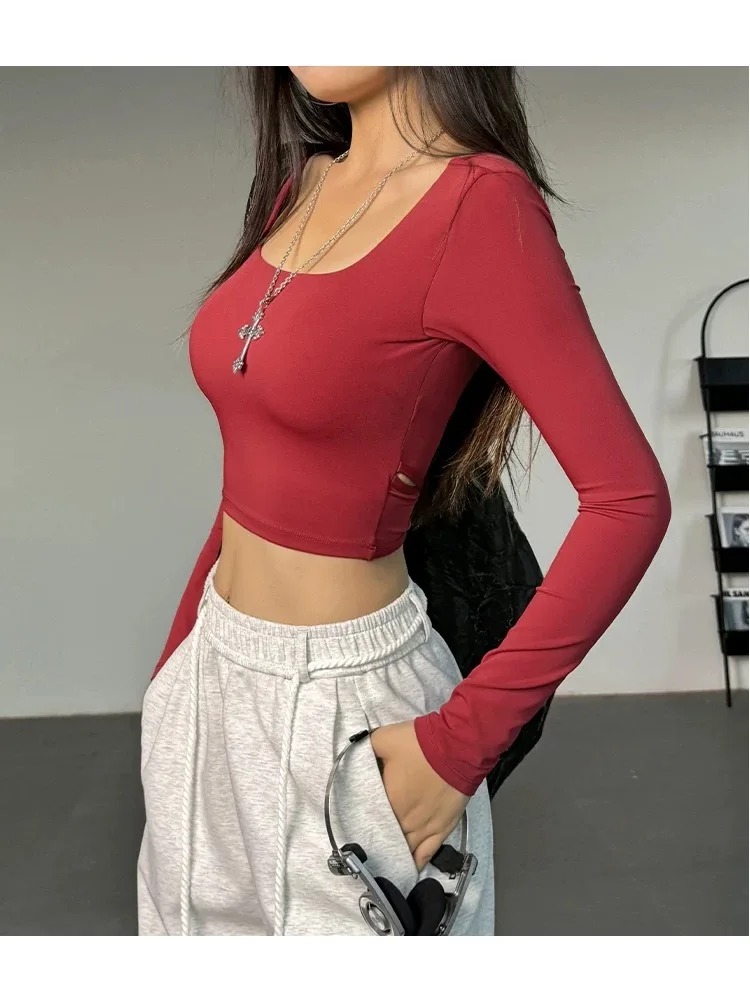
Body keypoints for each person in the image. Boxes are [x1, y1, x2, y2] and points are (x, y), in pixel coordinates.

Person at [136, 66, 672, 937]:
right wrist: (175, 670)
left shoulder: (480, 204)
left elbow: (629, 498)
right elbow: (257, 469)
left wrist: (458, 748)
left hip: (351, 709)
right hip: (210, 679)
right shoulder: (304, 183)